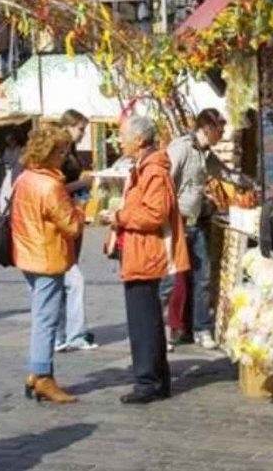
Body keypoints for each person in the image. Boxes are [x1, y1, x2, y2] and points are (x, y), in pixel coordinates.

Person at [99, 114, 189, 404]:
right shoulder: (142, 169)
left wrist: (119, 216)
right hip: (138, 251)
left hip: (145, 253)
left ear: (139, 140)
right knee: (147, 318)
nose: (119, 141)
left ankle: (147, 381)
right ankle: (155, 378)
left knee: (143, 321)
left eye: (123, 137)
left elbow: (154, 214)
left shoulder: (153, 171)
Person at [10, 123, 83, 403]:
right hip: (47, 256)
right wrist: (79, 209)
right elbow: (71, 226)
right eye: (61, 151)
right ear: (50, 152)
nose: (64, 156)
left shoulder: (25, 177)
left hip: (27, 253)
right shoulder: (50, 185)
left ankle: (38, 371)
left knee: (42, 314)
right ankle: (42, 375)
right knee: (46, 319)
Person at [162, 108, 238, 349]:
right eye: (219, 129)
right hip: (178, 222)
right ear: (206, 127)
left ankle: (201, 328)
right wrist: (169, 217)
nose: (222, 133)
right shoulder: (181, 148)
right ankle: (165, 330)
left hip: (197, 222)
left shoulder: (206, 154)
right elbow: (165, 182)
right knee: (171, 280)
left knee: (203, 277)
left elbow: (224, 173)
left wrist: (249, 182)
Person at [55, 111, 97, 352]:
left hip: (73, 212)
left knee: (67, 276)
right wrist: (83, 183)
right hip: (64, 215)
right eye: (81, 129)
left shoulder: (70, 150)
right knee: (70, 276)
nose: (83, 135)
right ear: (69, 126)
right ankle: (71, 333)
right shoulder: (61, 150)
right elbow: (56, 187)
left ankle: (64, 332)